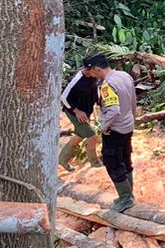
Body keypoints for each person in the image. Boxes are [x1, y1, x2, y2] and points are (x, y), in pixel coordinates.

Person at [88, 53, 139, 211]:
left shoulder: (107, 85)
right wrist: (132, 117)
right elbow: (133, 100)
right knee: (125, 159)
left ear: (97, 69)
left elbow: (114, 110)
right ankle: (129, 194)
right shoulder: (124, 75)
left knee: (113, 163)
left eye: (92, 72)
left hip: (115, 130)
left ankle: (126, 199)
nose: (92, 75)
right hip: (128, 126)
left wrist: (103, 127)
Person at [58, 63, 101, 171]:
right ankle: (95, 163)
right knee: (92, 136)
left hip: (86, 111)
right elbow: (63, 97)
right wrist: (76, 111)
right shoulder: (77, 79)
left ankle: (62, 159)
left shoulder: (93, 76)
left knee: (79, 135)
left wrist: (99, 102)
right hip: (74, 112)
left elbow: (95, 90)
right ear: (89, 69)